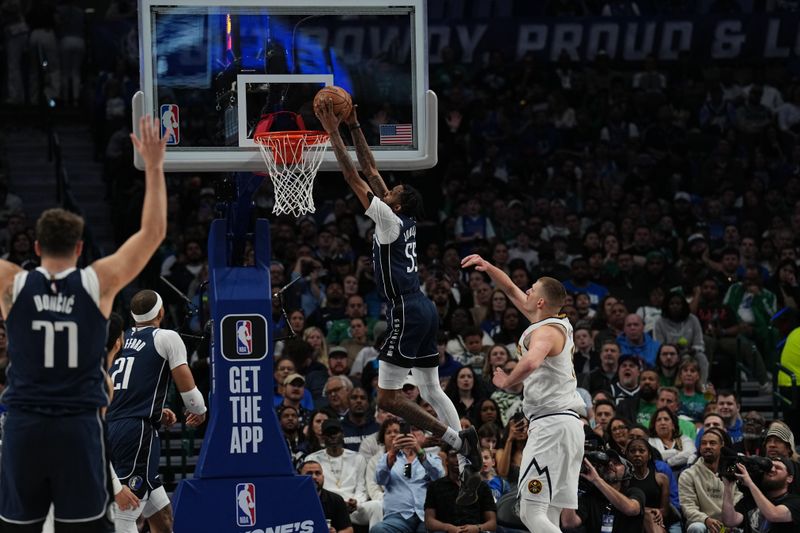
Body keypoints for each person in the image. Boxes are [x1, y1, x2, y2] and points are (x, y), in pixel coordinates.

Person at [0, 115, 167, 532]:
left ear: (36, 247)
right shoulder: (96, 284)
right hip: (77, 428)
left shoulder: (12, 285)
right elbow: (153, 232)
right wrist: (155, 164)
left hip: (23, 427)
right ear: (79, 248)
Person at [315, 98, 481, 504]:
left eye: (395, 190)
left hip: (407, 309)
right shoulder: (399, 216)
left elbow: (356, 177)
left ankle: (457, 443)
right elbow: (370, 169)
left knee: (388, 399)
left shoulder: (387, 218)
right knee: (429, 385)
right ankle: (469, 451)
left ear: (399, 202)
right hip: (422, 307)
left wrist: (331, 132)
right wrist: (354, 124)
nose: (386, 188)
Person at [462, 253, 584, 533]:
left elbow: (531, 362)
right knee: (549, 516)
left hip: (551, 426)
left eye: (532, 289)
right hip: (566, 426)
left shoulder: (546, 332)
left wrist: (506, 381)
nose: (526, 290)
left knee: (529, 512)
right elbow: (509, 289)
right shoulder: (551, 321)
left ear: (540, 301)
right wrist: (489, 266)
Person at [106, 289, 207, 533]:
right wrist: (200, 410)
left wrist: (157, 410)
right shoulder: (166, 336)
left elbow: (124, 386)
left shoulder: (122, 337)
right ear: (161, 312)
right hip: (135, 432)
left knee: (162, 513)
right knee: (125, 513)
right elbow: (189, 392)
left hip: (111, 425)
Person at [372, 425, 445, 533]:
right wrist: (392, 453)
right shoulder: (387, 457)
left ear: (424, 437)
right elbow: (380, 479)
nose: (411, 434)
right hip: (397, 518)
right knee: (378, 530)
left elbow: (439, 477)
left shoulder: (432, 457)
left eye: (415, 430)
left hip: (426, 517)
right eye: (406, 431)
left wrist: (419, 451)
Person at [561, 449, 646, 533]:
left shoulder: (634, 492)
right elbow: (569, 523)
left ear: (627, 471)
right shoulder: (590, 495)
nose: (610, 465)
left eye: (616, 463)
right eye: (606, 463)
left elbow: (631, 509)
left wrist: (597, 480)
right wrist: (570, 482)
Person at [679, 428, 743, 533]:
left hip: (729, 525)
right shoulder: (688, 474)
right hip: (704, 524)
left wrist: (728, 524)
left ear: (721, 446)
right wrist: (706, 520)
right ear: (699, 447)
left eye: (712, 443)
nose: (707, 446)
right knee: (696, 527)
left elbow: (738, 500)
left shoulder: (732, 472)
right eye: (704, 443)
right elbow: (688, 507)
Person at [424, 447, 498, 533]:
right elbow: (429, 522)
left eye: (462, 456)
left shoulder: (482, 487)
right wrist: (448, 527)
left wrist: (476, 528)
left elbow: (492, 524)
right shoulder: (435, 486)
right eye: (453, 455)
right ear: (446, 460)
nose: (458, 459)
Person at [721, 457, 800, 532]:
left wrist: (750, 483)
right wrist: (728, 486)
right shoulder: (752, 499)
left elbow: (773, 514)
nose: (772, 469)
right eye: (769, 467)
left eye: (778, 467)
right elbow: (730, 521)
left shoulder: (795, 502)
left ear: (789, 478)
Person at [299, 460, 354, 533]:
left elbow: (348, 530)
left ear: (323, 477)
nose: (314, 477)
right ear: (299, 477)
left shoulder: (336, 500)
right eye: (309, 474)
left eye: (318, 473)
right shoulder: (290, 500)